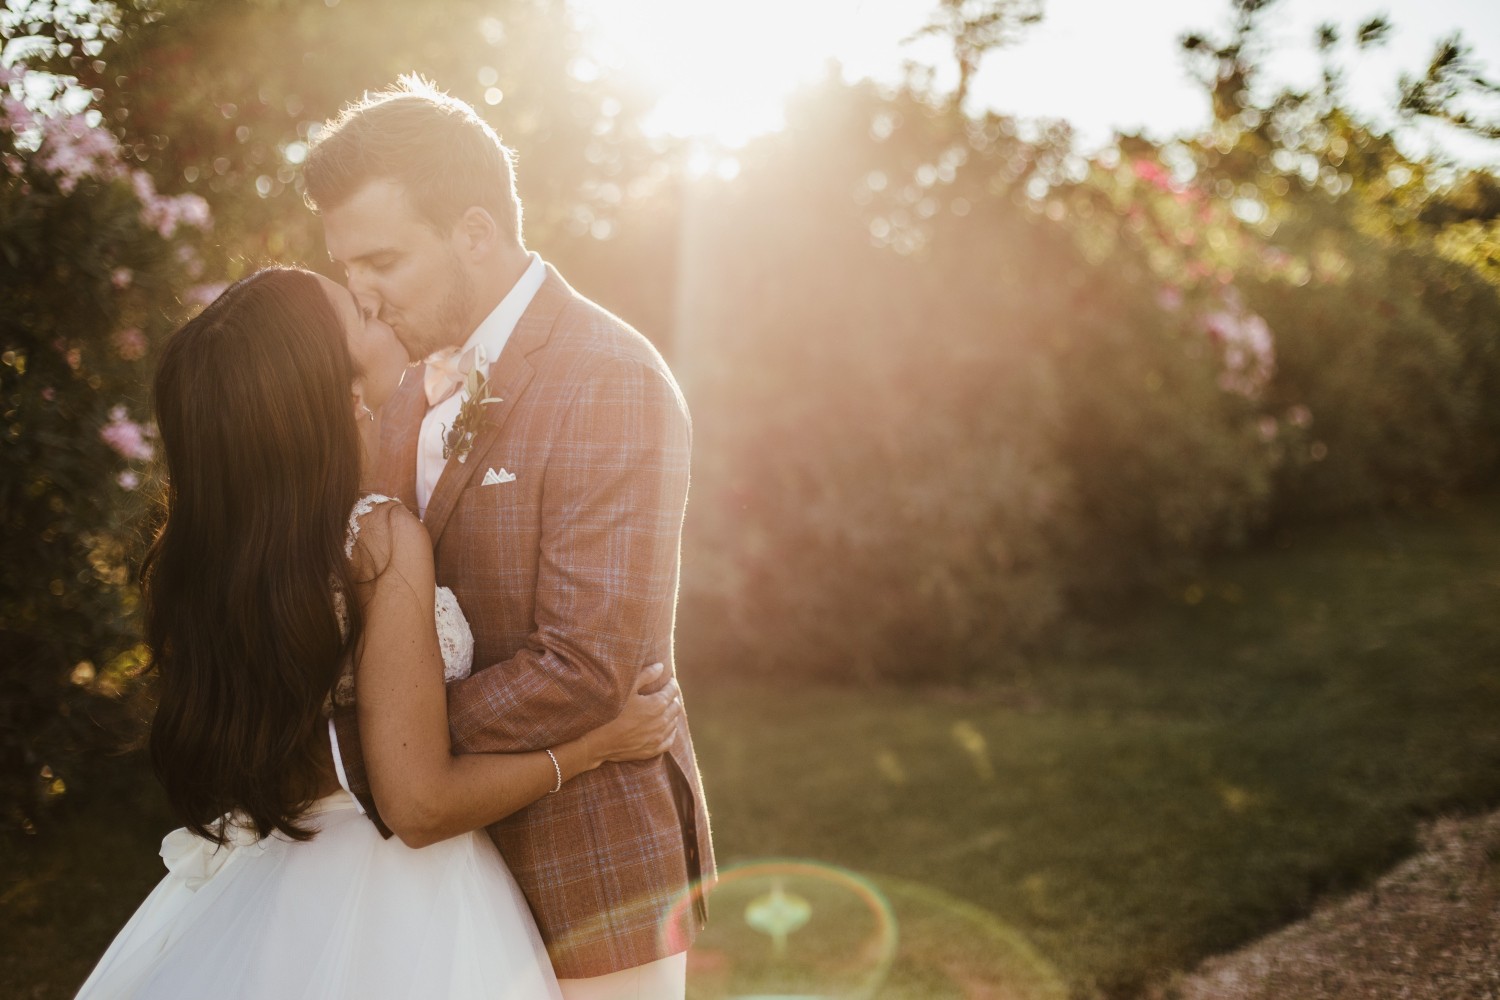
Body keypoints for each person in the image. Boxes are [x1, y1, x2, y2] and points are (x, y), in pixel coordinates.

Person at [75, 267, 684, 999]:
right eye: (360, 315)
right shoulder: (375, 542)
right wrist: (595, 746)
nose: (384, 315)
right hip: (398, 898)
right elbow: (419, 804)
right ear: (332, 386)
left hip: (270, 883)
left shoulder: (207, 553)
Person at [303, 76, 715, 999]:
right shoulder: (407, 386)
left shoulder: (610, 377)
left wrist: (384, 753)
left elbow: (584, 667)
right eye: (347, 271)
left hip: (588, 870)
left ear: (476, 232)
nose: (361, 300)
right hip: (430, 879)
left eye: (383, 262)